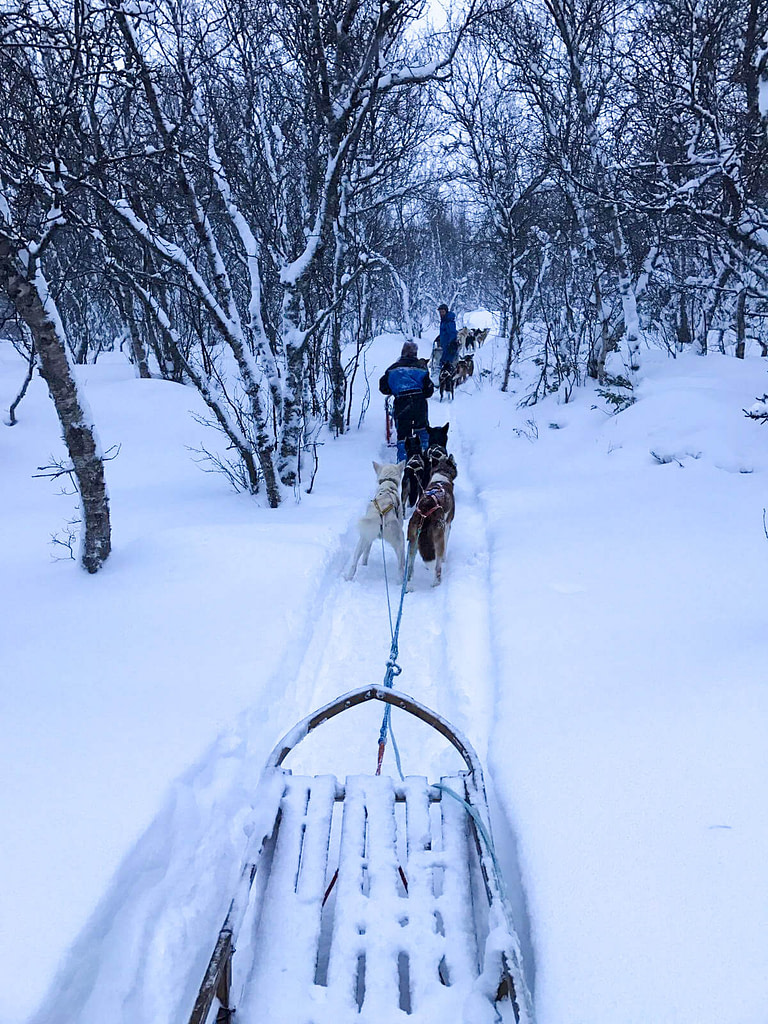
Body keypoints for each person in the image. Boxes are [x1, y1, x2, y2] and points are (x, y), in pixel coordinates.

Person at [379, 340, 434, 461]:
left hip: (402, 403)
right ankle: (425, 457)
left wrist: (396, 389)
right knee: (422, 430)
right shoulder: (421, 368)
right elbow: (429, 390)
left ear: (402, 352)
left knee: (403, 434)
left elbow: (383, 387)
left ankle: (403, 462)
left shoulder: (392, 369)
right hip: (419, 403)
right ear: (415, 354)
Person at [436, 303, 458, 369]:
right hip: (445, 344)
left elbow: (452, 332)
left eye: (442, 312)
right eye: (440, 312)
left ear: (446, 311)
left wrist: (451, 343)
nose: (441, 314)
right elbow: (445, 332)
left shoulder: (449, 321)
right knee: (443, 361)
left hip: (449, 345)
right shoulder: (444, 320)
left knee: (447, 362)